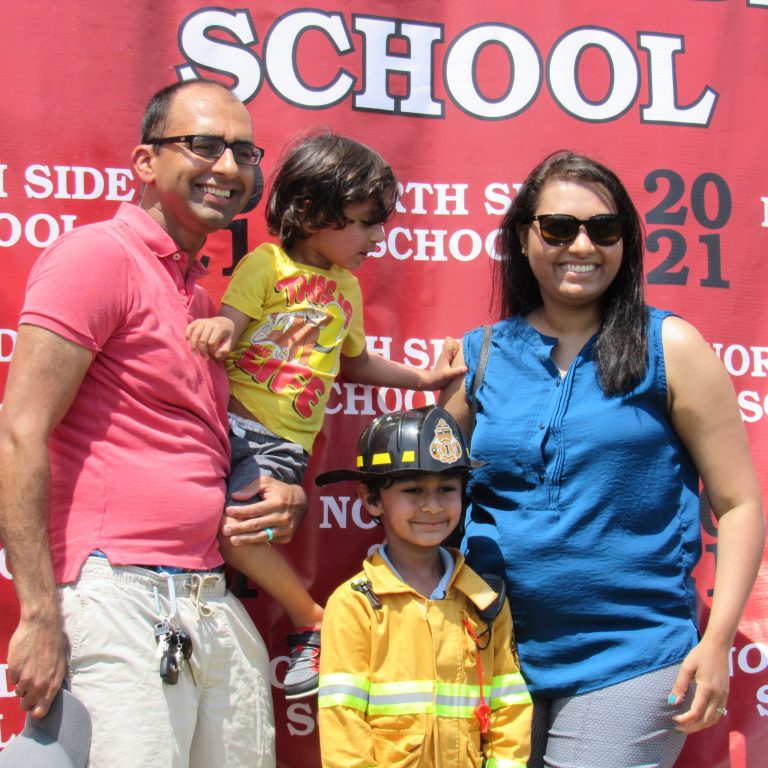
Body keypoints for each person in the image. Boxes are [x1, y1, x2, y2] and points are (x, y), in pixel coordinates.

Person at [0, 80, 306, 768]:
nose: (228, 168)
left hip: (208, 596)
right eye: (203, 145)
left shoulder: (201, 301)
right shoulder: (96, 257)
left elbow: (199, 448)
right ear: (145, 162)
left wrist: (270, 497)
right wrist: (41, 614)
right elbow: (17, 432)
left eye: (243, 152)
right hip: (119, 596)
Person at [438, 149, 766, 768]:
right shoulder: (480, 357)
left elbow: (740, 503)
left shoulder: (670, 346)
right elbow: (420, 482)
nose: (582, 245)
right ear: (522, 237)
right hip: (488, 656)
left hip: (631, 659)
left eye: (604, 229)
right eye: (559, 227)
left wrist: (718, 640)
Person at [185, 133, 465, 700]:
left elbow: (354, 362)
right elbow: (232, 326)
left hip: (282, 447)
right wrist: (218, 328)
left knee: (238, 537)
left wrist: (423, 381)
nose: (377, 237)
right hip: (230, 429)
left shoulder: (347, 289)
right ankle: (308, 617)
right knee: (220, 532)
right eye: (364, 222)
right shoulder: (266, 263)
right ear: (311, 212)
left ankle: (311, 618)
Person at [313, 405, 532, 767]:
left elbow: (509, 705)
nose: (432, 506)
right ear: (371, 498)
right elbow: (343, 724)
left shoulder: (483, 600)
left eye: (447, 488)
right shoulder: (355, 604)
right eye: (413, 490)